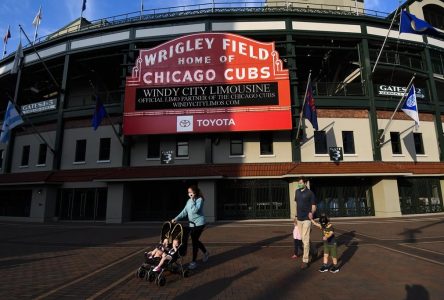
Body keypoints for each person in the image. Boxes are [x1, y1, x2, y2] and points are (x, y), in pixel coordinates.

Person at [172, 185, 209, 270]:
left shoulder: (200, 200)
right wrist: (176, 218)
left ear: (195, 192)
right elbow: (184, 212)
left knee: (194, 242)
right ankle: (206, 252)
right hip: (192, 225)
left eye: (191, 192)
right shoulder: (189, 201)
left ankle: (193, 262)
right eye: (188, 192)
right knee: (195, 240)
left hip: (199, 224)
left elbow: (195, 210)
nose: (189, 194)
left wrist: (193, 200)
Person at [295, 177, 317, 269]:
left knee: (305, 239)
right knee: (304, 238)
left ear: (305, 183)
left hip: (307, 219)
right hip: (299, 219)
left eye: (300, 183)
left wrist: (312, 213)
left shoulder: (310, 193)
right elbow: (297, 204)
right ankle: (314, 250)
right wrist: (296, 216)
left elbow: (314, 206)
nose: (299, 184)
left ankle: (305, 260)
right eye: (298, 183)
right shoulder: (297, 191)